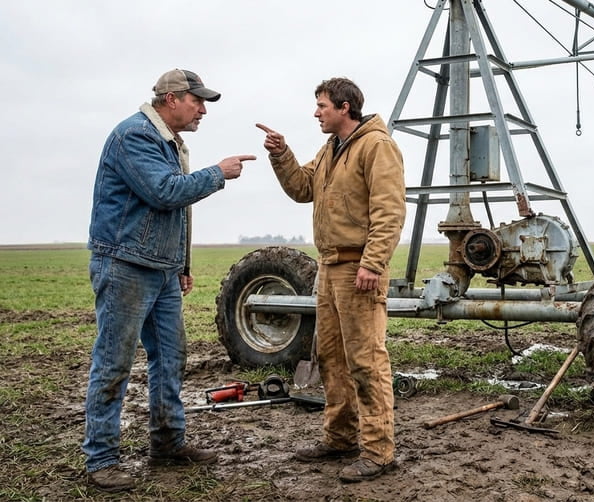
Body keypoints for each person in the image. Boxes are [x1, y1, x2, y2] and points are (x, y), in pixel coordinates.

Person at [84, 68, 256, 492]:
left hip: (159, 269)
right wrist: (218, 173)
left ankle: (167, 443)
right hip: (125, 264)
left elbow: (174, 211)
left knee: (171, 356)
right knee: (114, 361)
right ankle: (101, 459)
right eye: (198, 101)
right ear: (172, 98)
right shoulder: (135, 136)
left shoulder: (168, 141)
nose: (202, 110)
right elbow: (164, 192)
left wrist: (180, 264)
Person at [256, 77, 406, 483]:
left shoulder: (377, 146)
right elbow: (302, 188)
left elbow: (389, 211)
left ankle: (378, 451)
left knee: (366, 360)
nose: (316, 111)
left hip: (360, 267)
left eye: (321, 105)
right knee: (332, 358)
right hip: (330, 266)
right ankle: (340, 437)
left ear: (344, 107)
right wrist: (281, 154)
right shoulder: (330, 150)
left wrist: (373, 264)